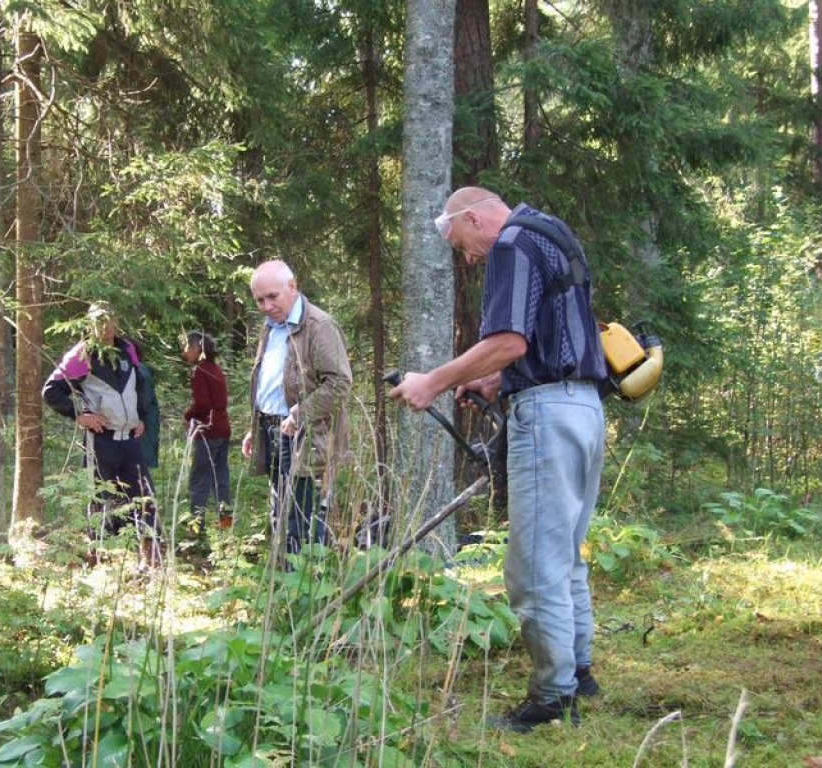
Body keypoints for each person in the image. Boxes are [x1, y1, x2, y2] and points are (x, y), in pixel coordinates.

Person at [389, 187, 607, 732]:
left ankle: (553, 697)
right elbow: (543, 343)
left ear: (474, 217)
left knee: (534, 566)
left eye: (464, 245)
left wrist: (433, 382)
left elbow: (509, 340)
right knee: (566, 555)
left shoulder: (510, 242)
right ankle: (579, 672)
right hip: (584, 408)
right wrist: (494, 381)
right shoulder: (551, 231)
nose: (469, 258)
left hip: (549, 419)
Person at [241, 260, 352, 560]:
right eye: (259, 300)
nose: (266, 306)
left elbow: (340, 383)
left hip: (305, 434)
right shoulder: (270, 328)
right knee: (280, 511)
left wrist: (300, 414)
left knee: (301, 517)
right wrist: (255, 427)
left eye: (272, 296)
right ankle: (285, 590)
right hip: (271, 428)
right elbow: (271, 381)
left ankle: (307, 592)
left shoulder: (319, 326)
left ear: (293, 287)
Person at [42, 303, 159, 561]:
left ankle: (150, 555)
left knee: (144, 495)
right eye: (100, 320)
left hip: (130, 439)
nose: (106, 325)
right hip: (101, 439)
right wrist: (80, 415)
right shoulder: (81, 355)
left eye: (110, 319)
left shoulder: (127, 349)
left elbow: (140, 384)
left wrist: (140, 417)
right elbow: (51, 391)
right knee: (98, 497)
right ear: (90, 323)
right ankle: (98, 554)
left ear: (117, 320)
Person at [182, 331, 232, 534]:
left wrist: (187, 415)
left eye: (186, 347)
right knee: (221, 477)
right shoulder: (216, 369)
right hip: (222, 428)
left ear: (196, 348)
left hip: (208, 431)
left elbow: (202, 404)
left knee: (199, 479)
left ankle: (196, 528)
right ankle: (226, 523)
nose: (184, 352)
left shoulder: (200, 371)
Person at [127, 339, 160, 469]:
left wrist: (137, 419)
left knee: (140, 467)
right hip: (138, 425)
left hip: (142, 427)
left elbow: (143, 401)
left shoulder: (140, 371)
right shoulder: (131, 371)